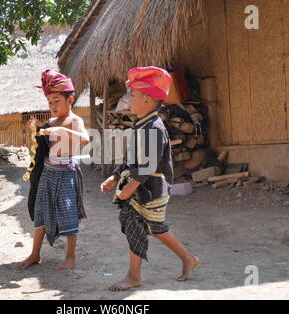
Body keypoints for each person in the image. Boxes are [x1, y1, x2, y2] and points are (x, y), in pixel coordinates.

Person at [100, 66, 199, 291]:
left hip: (150, 189)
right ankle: (188, 258)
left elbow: (147, 165)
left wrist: (130, 187)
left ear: (146, 99)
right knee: (155, 228)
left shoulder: (153, 127)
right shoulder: (142, 125)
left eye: (132, 95)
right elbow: (131, 159)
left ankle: (134, 276)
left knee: (137, 225)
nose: (129, 99)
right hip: (146, 188)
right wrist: (115, 177)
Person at [18, 70, 89, 271]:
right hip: (48, 173)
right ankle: (35, 254)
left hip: (67, 174)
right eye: (49, 102)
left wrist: (63, 131)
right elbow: (40, 147)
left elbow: (85, 139)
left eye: (57, 100)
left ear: (70, 100)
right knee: (40, 211)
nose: (52, 106)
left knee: (69, 213)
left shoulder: (74, 121)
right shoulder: (50, 122)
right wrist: (36, 130)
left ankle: (70, 257)